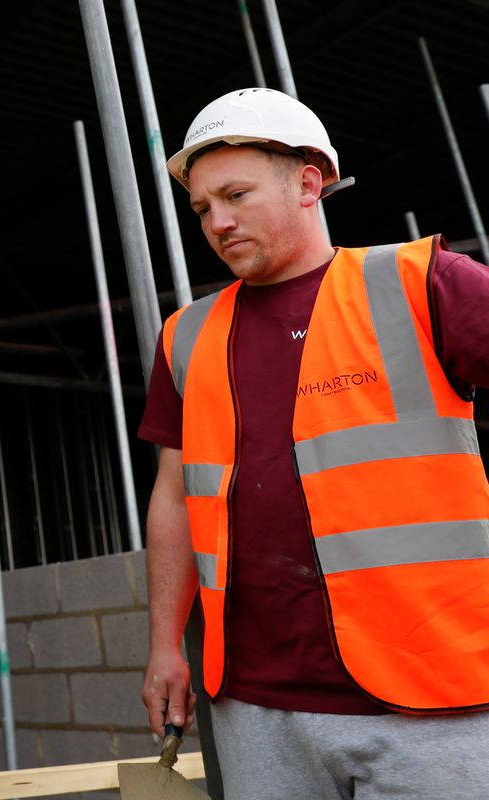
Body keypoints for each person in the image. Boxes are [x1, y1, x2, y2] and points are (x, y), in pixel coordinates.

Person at [138, 87, 489, 799]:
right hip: (255, 702)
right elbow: (174, 496)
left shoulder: (421, 284)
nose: (218, 221)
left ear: (308, 182)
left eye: (235, 195)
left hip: (434, 691)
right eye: (202, 208)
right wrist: (164, 645)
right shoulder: (187, 338)